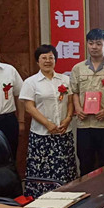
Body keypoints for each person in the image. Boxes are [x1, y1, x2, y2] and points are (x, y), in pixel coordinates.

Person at [20, 45, 76, 196]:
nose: (47, 61)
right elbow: (29, 107)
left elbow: (70, 102)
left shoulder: (65, 79)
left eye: (51, 57)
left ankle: (67, 199)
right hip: (41, 136)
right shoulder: (31, 82)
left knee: (65, 168)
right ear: (37, 61)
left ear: (55, 60)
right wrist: (47, 124)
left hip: (63, 133)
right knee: (43, 171)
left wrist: (68, 119)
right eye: (43, 58)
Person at [70, 28, 104, 176]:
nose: (94, 47)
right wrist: (78, 108)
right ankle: (86, 189)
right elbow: (75, 92)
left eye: (98, 43)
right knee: (85, 162)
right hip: (85, 123)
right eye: (91, 43)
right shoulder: (78, 68)